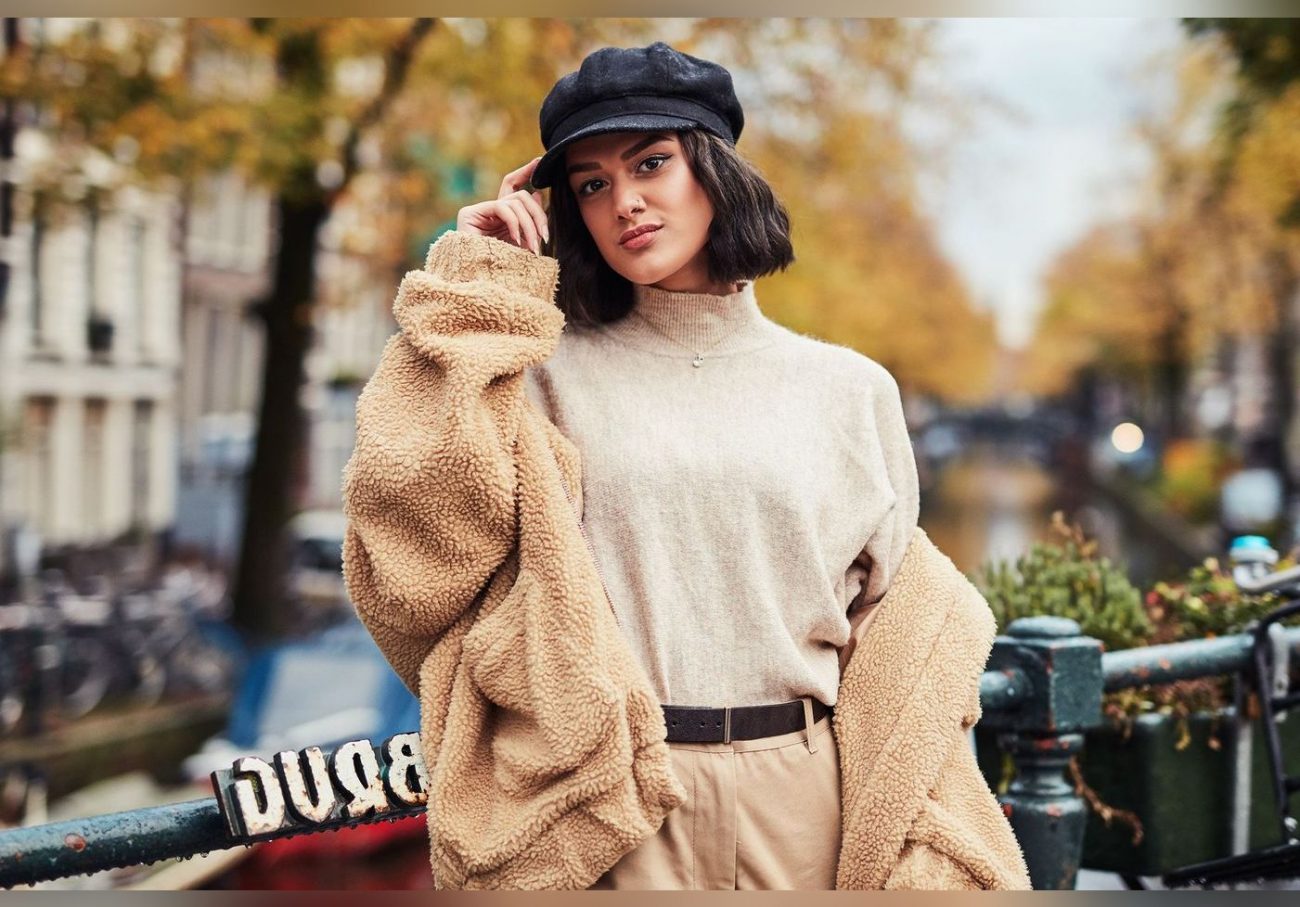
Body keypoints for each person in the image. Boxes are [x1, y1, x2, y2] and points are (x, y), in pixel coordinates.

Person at [342, 41, 1031, 890]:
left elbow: (890, 634)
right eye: (591, 184)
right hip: (609, 801)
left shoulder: (850, 389)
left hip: (807, 795)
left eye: (651, 163)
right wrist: (477, 285)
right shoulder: (540, 373)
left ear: (713, 170)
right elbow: (415, 557)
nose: (624, 201)